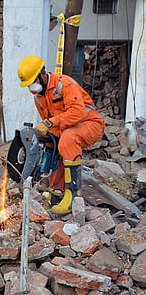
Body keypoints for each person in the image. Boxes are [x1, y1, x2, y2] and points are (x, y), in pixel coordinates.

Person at [17, 55, 105, 215]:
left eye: (33, 82)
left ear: (42, 74)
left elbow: (77, 111)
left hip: (90, 123)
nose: (32, 87)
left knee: (67, 140)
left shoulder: (63, 83)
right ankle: (57, 193)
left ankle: (73, 195)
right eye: (29, 85)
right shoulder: (38, 98)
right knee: (53, 146)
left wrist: (49, 124)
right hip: (67, 129)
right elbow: (53, 126)